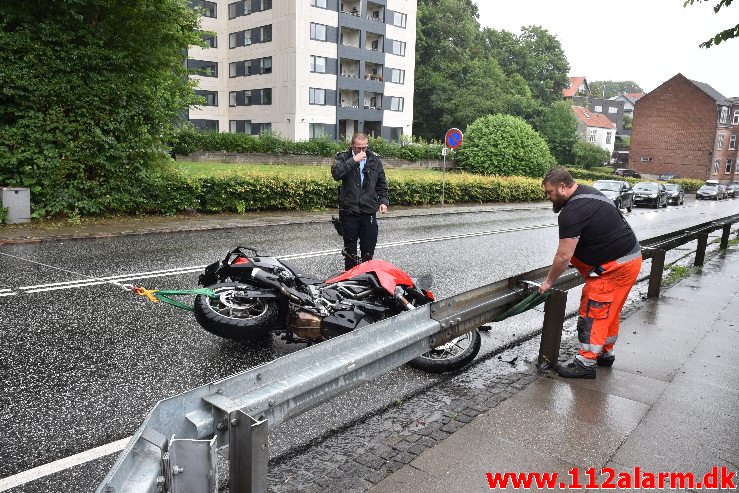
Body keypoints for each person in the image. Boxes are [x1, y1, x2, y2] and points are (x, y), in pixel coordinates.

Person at [539, 168, 642, 379]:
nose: (548, 197)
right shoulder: (588, 192)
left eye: (549, 192)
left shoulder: (572, 212)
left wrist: (549, 282)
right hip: (629, 260)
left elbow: (563, 256)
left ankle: (586, 362)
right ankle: (606, 353)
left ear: (562, 187)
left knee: (594, 313)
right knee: (610, 312)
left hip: (612, 269)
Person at [332, 132, 389, 270]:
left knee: (368, 253)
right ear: (352, 146)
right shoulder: (343, 157)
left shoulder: (374, 159)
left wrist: (383, 201)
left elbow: (381, 183)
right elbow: (336, 174)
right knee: (350, 253)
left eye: (364, 147)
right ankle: (350, 281)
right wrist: (354, 160)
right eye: (358, 148)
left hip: (368, 211)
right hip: (349, 212)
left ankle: (365, 281)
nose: (362, 151)